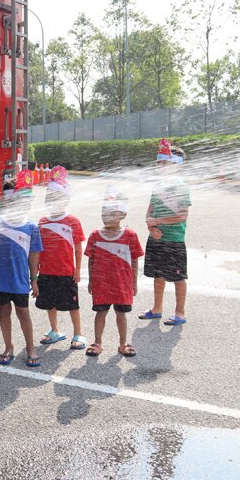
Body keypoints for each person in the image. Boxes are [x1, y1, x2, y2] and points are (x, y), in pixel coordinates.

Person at [0, 170, 42, 367]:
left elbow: (34, 255)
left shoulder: (31, 227)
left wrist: (34, 279)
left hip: (20, 281)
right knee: (3, 312)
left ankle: (31, 348)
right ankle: (9, 347)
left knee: (24, 314)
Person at [84, 186, 144, 357]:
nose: (106, 217)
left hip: (122, 285)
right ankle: (97, 342)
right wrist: (90, 280)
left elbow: (134, 260)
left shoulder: (130, 235)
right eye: (103, 213)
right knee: (100, 313)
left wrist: (134, 283)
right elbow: (91, 259)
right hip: (101, 283)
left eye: (111, 213)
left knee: (121, 314)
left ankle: (123, 343)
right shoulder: (96, 235)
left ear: (122, 215)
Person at [138, 139, 191, 326]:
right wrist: (151, 227)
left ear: (175, 166)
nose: (160, 166)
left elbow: (182, 215)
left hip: (174, 240)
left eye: (164, 163)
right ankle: (157, 308)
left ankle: (180, 312)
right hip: (156, 238)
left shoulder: (181, 187)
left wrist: (157, 222)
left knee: (177, 277)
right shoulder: (157, 186)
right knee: (157, 275)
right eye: (159, 163)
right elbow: (150, 210)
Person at [36, 166, 87, 350]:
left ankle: (78, 333)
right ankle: (55, 330)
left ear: (65, 199)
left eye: (56, 197)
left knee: (73, 304)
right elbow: (37, 249)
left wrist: (77, 269)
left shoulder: (72, 221)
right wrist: (35, 273)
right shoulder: (42, 221)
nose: (52, 201)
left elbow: (79, 246)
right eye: (49, 197)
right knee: (50, 303)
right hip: (46, 271)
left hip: (66, 271)